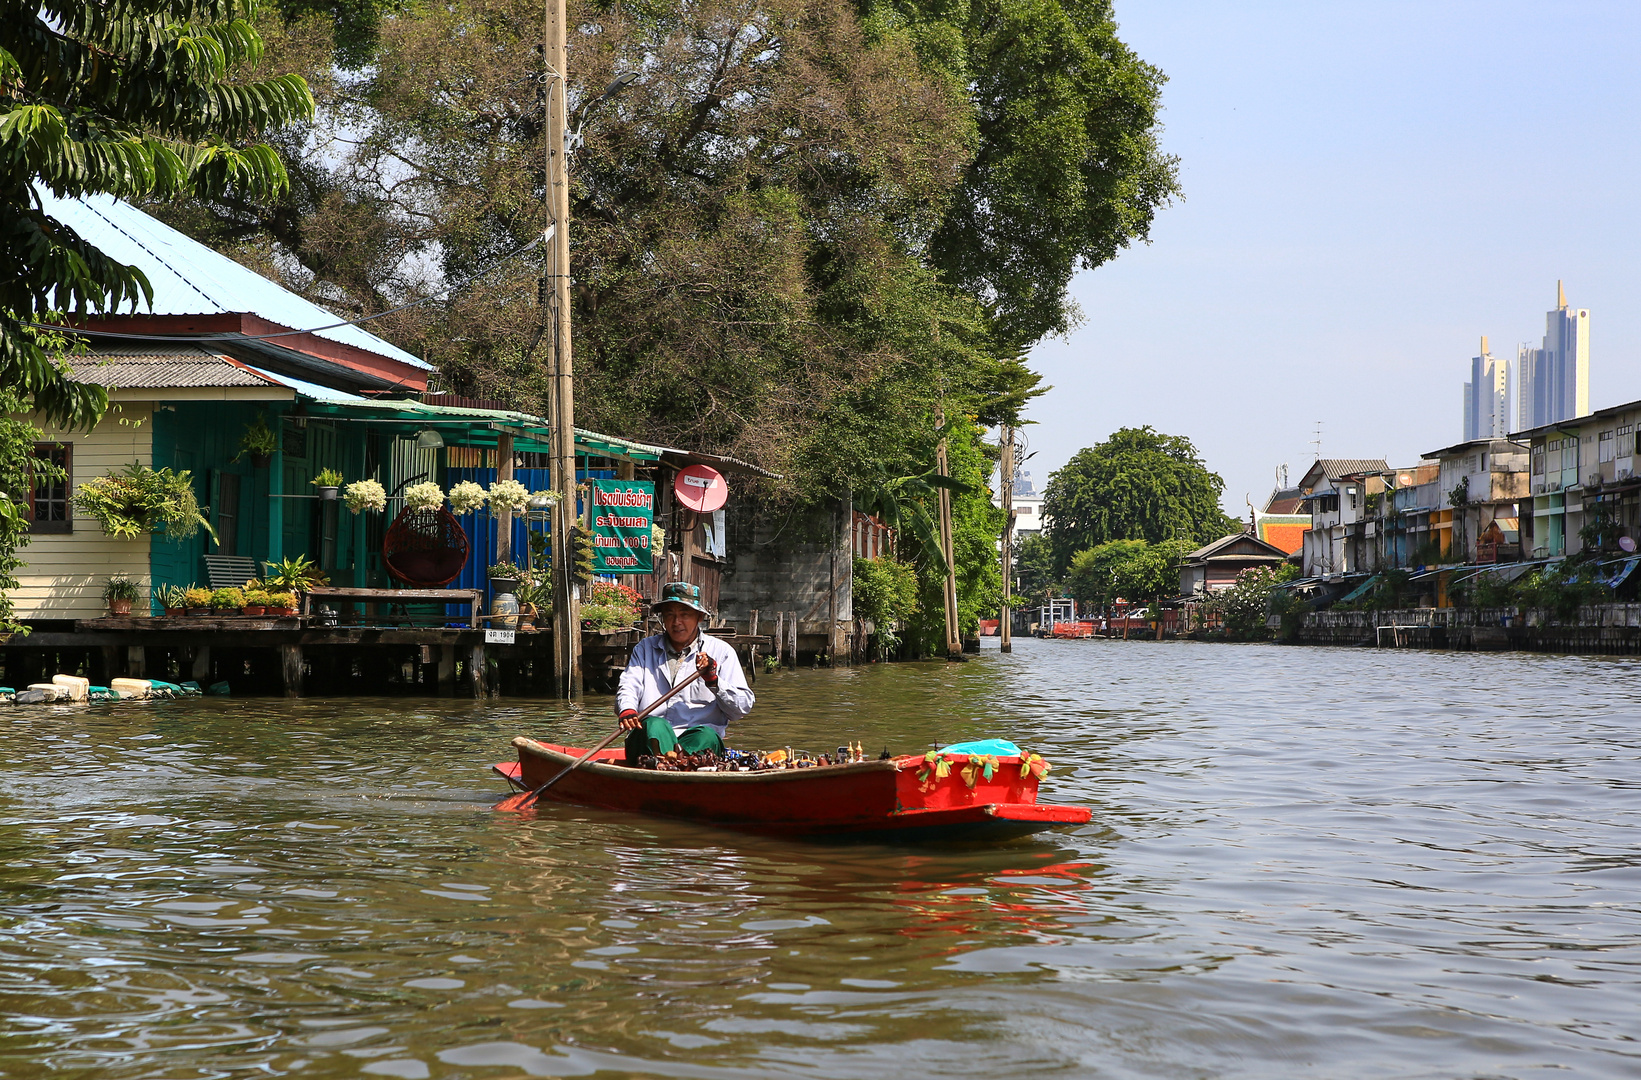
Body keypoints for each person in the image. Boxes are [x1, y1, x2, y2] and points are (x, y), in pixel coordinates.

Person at [616, 581, 754, 763]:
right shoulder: (645, 648)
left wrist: (713, 680)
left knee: (706, 735)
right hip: (650, 742)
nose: (676, 622)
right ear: (662, 618)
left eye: (684, 614)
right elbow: (629, 685)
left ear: (699, 617)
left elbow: (741, 709)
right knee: (653, 725)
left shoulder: (722, 652)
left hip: (697, 745)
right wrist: (627, 709)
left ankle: (675, 767)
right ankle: (664, 766)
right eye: (669, 615)